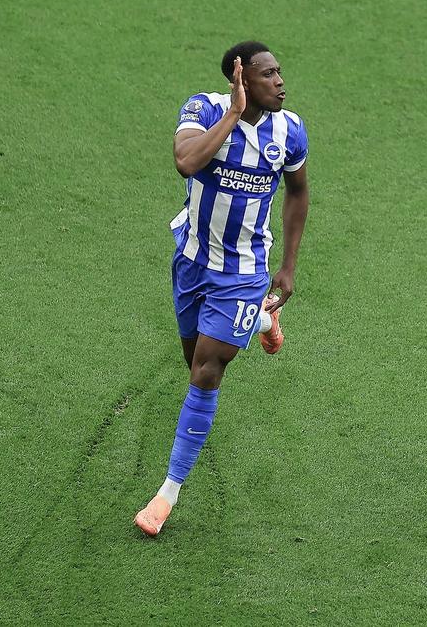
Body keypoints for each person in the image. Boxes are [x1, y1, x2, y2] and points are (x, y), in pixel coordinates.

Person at [134, 40, 309, 536]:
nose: (280, 81)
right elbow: (186, 161)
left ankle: (167, 493)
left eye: (279, 72)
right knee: (193, 356)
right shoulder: (204, 109)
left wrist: (288, 267)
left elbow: (298, 193)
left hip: (243, 271)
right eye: (268, 74)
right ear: (241, 77)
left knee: (207, 371)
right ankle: (261, 319)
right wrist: (233, 114)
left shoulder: (289, 130)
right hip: (192, 261)